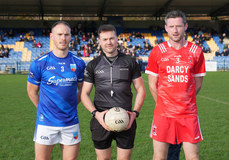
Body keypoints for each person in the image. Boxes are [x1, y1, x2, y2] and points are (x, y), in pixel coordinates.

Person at [145, 10, 206, 160]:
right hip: (163, 114)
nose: (175, 30)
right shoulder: (157, 51)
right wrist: (163, 104)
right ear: (166, 27)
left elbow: (197, 84)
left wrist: (184, 102)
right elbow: (152, 84)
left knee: (193, 157)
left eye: (178, 26)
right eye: (171, 26)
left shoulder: (196, 52)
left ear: (185, 26)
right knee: (159, 157)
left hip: (188, 114)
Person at [81, 24, 145, 160]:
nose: (108, 42)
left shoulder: (130, 61)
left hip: (126, 118)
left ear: (117, 39)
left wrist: (135, 113)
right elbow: (84, 93)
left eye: (111, 38)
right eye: (104, 39)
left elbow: (140, 89)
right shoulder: (93, 64)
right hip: (101, 119)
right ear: (99, 41)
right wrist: (96, 114)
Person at [27, 21, 86, 160]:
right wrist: (44, 108)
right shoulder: (40, 63)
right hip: (46, 123)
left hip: (70, 122)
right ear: (52, 36)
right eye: (59, 34)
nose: (63, 38)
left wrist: (70, 106)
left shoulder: (78, 63)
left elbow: (82, 91)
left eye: (66, 34)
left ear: (71, 37)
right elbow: (32, 92)